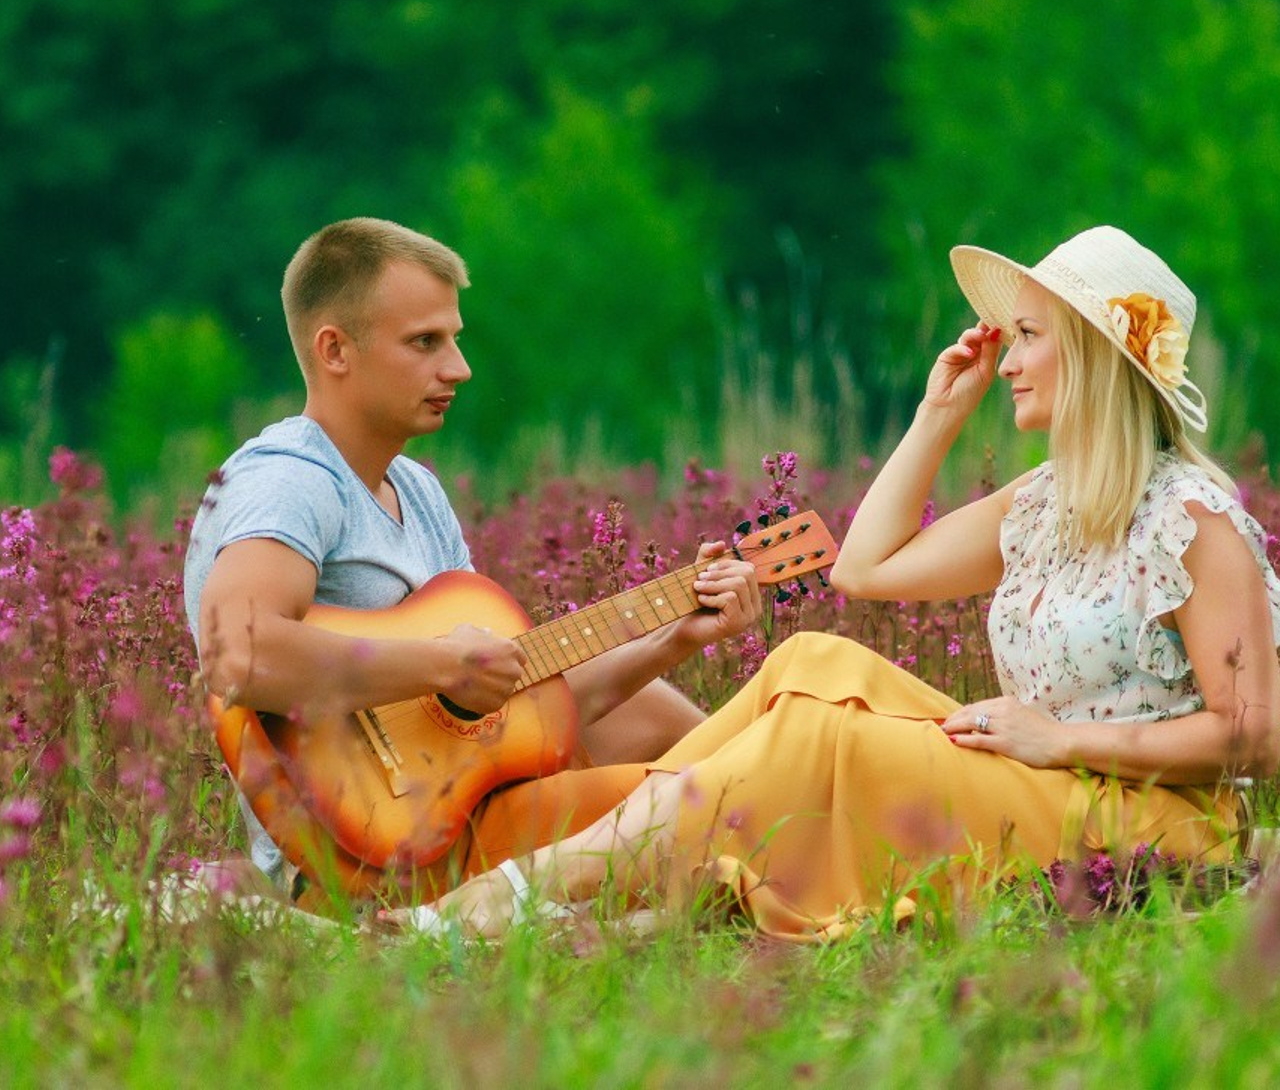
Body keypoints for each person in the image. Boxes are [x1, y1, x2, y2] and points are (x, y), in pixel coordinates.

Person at [385, 225, 1280, 942]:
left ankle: (524, 890)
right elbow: (865, 570)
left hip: (1150, 823)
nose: (1006, 361)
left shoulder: (1190, 519)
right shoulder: (1048, 503)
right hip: (1043, 778)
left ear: (1089, 354)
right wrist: (936, 418)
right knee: (812, 656)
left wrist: (1058, 740)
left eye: (1030, 339)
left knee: (824, 736)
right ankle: (594, 873)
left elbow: (1254, 736)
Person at [184, 217, 762, 896]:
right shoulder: (289, 481)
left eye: (454, 340)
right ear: (336, 350)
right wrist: (442, 664)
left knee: (714, 754)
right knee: (727, 803)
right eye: (425, 342)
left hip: (463, 814)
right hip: (364, 858)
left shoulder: (418, 492)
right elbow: (238, 656)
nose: (458, 368)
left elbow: (505, 715)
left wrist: (674, 637)